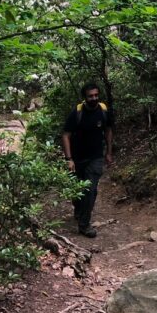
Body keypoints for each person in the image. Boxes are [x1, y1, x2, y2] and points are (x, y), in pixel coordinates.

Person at [61, 82, 114, 237]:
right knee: (78, 190)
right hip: (77, 158)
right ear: (84, 97)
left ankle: (84, 225)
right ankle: (79, 210)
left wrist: (109, 152)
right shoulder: (77, 113)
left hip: (96, 157)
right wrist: (69, 159)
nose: (94, 98)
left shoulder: (103, 111)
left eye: (96, 95)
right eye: (90, 96)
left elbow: (108, 130)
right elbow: (66, 135)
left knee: (90, 190)